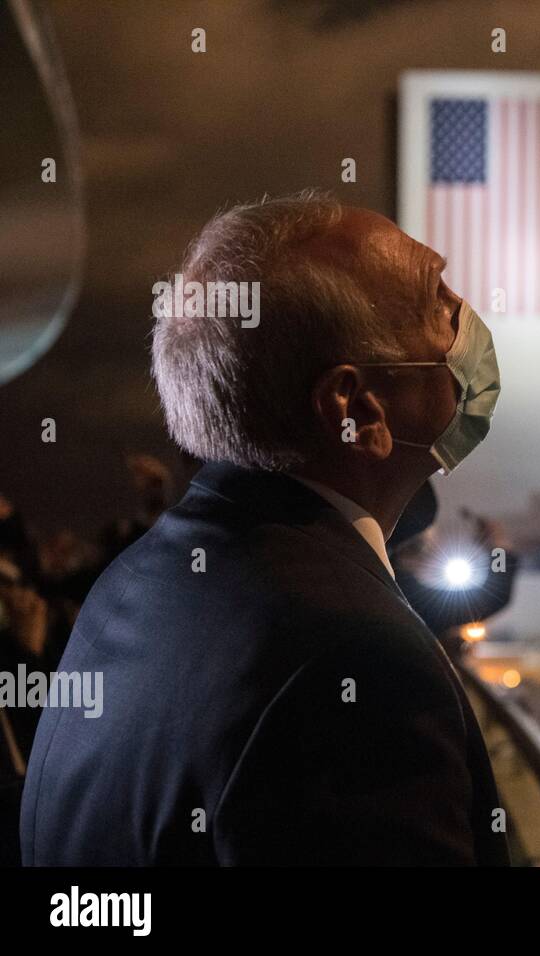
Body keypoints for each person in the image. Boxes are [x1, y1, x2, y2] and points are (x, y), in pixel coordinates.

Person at [21, 192, 507, 865]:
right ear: (357, 409)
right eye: (437, 300)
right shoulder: (356, 665)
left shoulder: (134, 583)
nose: (466, 320)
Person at [388, 480, 518, 652]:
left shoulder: (373, 573)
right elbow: (495, 596)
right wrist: (498, 549)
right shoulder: (408, 596)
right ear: (413, 547)